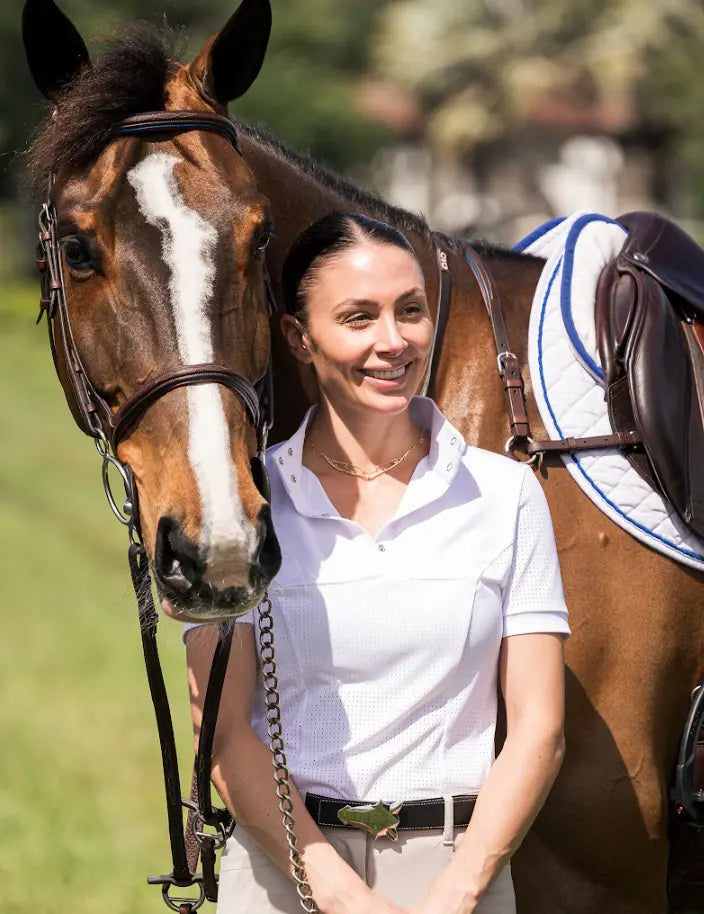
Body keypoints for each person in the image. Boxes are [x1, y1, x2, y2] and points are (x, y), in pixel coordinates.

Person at [184, 212, 569, 914]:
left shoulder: (507, 495)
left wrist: (460, 891)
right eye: (358, 318)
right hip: (286, 871)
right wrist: (337, 892)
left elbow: (540, 727)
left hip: (460, 873)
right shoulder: (246, 504)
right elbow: (220, 726)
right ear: (300, 337)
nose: (392, 342)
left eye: (410, 311)